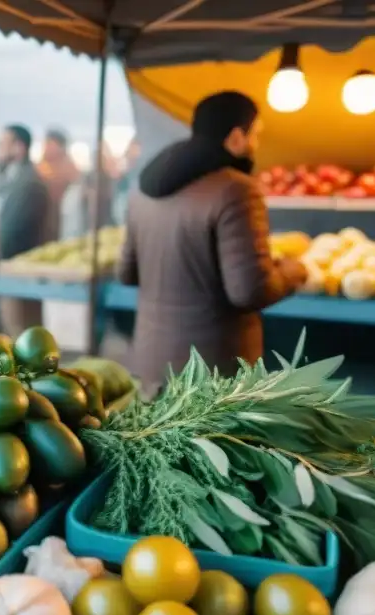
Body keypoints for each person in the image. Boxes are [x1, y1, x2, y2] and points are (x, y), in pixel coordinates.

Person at [118, 90, 307, 394]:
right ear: (235, 137)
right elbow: (249, 290)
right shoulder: (237, 190)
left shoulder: (144, 189)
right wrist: (292, 270)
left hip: (151, 364)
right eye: (255, 135)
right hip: (211, 376)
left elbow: (126, 273)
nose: (256, 145)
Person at [0, 124, 53, 336]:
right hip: (14, 274)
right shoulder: (14, 178)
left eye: (2, 143)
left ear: (19, 148)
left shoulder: (28, 183)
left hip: (20, 276)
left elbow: (11, 234)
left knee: (20, 336)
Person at [37, 129, 81, 240]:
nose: (45, 147)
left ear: (60, 147)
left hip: (60, 221)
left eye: (49, 144)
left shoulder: (69, 168)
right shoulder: (40, 166)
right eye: (45, 144)